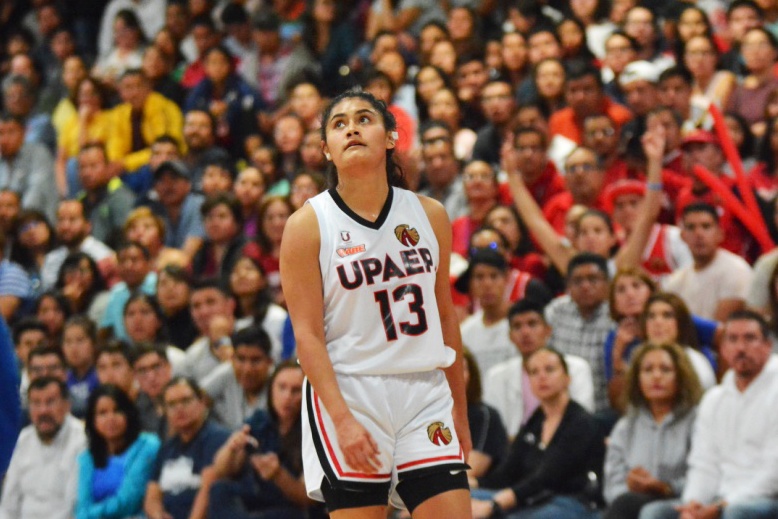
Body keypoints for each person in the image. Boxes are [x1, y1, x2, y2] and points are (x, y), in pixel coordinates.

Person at [280, 89, 471, 517]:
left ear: (390, 138)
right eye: (339, 124)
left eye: (364, 119)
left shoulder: (430, 215)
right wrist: (341, 420)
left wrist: (460, 410)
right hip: (350, 391)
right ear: (326, 149)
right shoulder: (308, 225)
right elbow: (306, 336)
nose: (351, 128)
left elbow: (445, 317)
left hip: (425, 391)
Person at [640, 311, 778, 519]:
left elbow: (773, 472)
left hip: (765, 498)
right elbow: (704, 463)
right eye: (733, 339)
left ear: (768, 345)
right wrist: (693, 504)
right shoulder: (714, 399)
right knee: (654, 512)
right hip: (719, 496)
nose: (740, 348)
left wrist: (722, 506)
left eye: (750, 338)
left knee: (736, 512)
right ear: (722, 348)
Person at [470, 348, 602, 519]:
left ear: (567, 378)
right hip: (531, 499)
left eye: (549, 369)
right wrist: (471, 483)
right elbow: (507, 474)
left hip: (571, 501)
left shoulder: (581, 422)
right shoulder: (535, 421)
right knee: (462, 498)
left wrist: (494, 505)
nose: (541, 377)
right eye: (534, 372)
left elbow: (548, 478)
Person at [603, 342, 703, 519]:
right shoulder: (625, 426)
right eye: (648, 370)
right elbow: (611, 486)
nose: (656, 376)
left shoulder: (697, 421)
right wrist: (630, 486)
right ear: (637, 379)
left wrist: (665, 487)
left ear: (680, 376)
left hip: (680, 501)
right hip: (629, 503)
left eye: (665, 370)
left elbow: (704, 476)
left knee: (650, 512)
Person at [209, 361, 316, 519]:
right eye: (281, 388)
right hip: (254, 500)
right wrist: (231, 448)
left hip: (289, 508)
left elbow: (308, 498)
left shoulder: (314, 431)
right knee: (219, 489)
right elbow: (220, 470)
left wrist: (278, 475)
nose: (287, 397)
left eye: (296, 390)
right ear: (271, 390)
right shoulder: (259, 421)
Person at [483, 299, 595, 439]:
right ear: (510, 336)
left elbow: (584, 423)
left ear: (548, 330)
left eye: (532, 324)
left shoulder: (577, 368)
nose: (525, 332)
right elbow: (493, 432)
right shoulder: (495, 376)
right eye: (517, 326)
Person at [144, 377, 230, 519]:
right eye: (172, 404)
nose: (179, 409)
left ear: (202, 402)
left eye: (186, 401)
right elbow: (152, 496)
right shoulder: (167, 448)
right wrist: (158, 515)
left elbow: (208, 492)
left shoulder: (217, 438)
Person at [0, 377, 86, 519]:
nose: (43, 411)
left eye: (50, 402)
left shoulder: (81, 440)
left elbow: (73, 506)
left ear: (67, 405)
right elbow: (8, 504)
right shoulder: (24, 439)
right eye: (36, 403)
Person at [75, 384, 161, 519]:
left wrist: (90, 514)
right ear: (93, 421)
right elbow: (82, 506)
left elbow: (129, 501)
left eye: (117, 410)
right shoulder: (87, 458)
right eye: (102, 413)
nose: (111, 418)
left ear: (128, 414)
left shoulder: (147, 446)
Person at [201, 325, 274, 429]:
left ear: (270, 362)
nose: (247, 369)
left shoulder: (279, 382)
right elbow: (197, 398)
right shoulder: (227, 372)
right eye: (241, 359)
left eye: (255, 360)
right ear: (232, 359)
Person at [462, 348, 508, 479]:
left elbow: (470, 472)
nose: (455, 376)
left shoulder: (484, 416)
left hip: (480, 487)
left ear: (472, 375)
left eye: (462, 369)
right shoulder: (428, 415)